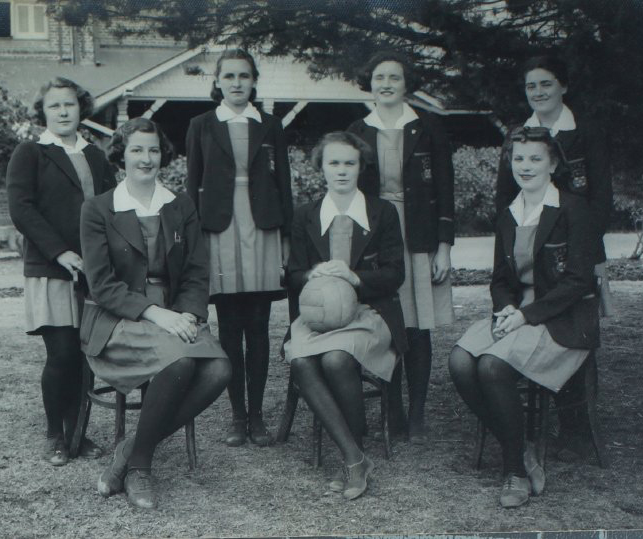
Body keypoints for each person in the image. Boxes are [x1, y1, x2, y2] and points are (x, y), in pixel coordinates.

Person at [80, 118, 231, 510]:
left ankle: (129, 449)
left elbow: (197, 271)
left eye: (153, 150)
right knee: (179, 363)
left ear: (162, 154)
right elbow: (101, 285)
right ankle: (140, 469)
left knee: (218, 370)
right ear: (121, 156)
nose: (146, 159)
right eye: (136, 150)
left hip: (176, 311)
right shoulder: (98, 209)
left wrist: (191, 314)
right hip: (118, 317)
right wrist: (157, 315)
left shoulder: (179, 205)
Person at [449, 126, 599, 508]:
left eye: (535, 158)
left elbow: (580, 280)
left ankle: (513, 469)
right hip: (518, 313)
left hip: (563, 319)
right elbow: (501, 278)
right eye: (518, 158)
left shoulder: (573, 208)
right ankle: (522, 445)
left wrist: (527, 315)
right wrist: (506, 310)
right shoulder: (509, 213)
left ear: (552, 164)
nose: (525, 166)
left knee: (492, 368)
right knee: (461, 362)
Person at [494, 55, 613, 460]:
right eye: (531, 86)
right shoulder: (521, 136)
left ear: (563, 86)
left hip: (575, 248)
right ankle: (532, 424)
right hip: (531, 243)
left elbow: (600, 198)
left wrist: (582, 251)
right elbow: (504, 195)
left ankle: (575, 428)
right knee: (536, 318)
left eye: (546, 84)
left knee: (571, 323)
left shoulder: (585, 132)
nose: (539, 92)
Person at [284, 131, 407, 500]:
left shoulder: (382, 212)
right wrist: (311, 275)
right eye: (333, 163)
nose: (341, 171)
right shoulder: (305, 215)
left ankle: (353, 454)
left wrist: (356, 278)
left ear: (361, 167)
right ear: (320, 167)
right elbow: (292, 275)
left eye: (349, 163)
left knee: (338, 359)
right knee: (302, 362)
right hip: (321, 315)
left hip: (371, 311)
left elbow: (395, 274)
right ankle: (355, 458)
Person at [185, 49, 293, 447]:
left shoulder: (271, 125)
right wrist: (194, 243)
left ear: (253, 80)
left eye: (244, 76)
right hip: (219, 231)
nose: (236, 83)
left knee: (259, 325)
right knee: (229, 325)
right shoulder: (201, 125)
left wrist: (286, 240)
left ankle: (258, 415)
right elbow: (192, 185)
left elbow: (284, 185)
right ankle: (236, 416)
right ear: (217, 81)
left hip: (263, 227)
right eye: (228, 76)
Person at [7, 77, 116, 466]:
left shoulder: (97, 156)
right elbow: (22, 209)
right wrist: (60, 252)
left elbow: (111, 208)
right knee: (62, 353)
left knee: (86, 354)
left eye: (69, 105)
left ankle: (78, 434)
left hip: (93, 270)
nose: (63, 112)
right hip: (52, 269)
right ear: (44, 112)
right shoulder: (31, 152)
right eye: (55, 106)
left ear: (80, 108)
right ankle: (56, 434)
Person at [348, 51, 455, 441]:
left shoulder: (429, 128)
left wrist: (444, 246)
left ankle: (417, 415)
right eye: (380, 77)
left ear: (407, 84)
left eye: (395, 77)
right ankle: (393, 409)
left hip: (421, 235)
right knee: (388, 322)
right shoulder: (358, 129)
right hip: (380, 237)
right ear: (370, 83)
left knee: (420, 325)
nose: (387, 84)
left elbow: (445, 190)